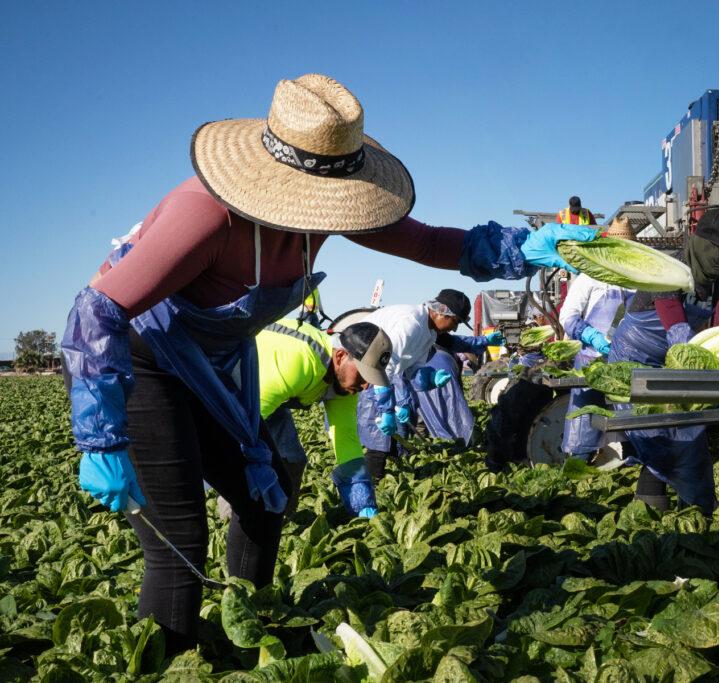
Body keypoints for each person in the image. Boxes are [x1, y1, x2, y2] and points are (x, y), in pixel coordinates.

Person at [61, 73, 593, 653]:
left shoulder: (325, 212)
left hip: (210, 370)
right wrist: (101, 438)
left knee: (266, 498)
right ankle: (172, 658)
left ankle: (246, 625)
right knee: (180, 538)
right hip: (136, 362)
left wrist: (522, 248)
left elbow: (430, 242)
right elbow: (98, 311)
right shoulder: (205, 214)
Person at [609, 208, 719, 512]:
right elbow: (671, 314)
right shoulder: (672, 265)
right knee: (656, 435)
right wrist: (685, 349)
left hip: (674, 364)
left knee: (688, 436)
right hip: (636, 360)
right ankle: (648, 515)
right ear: (705, 244)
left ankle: (693, 517)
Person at [226, 318, 391, 521]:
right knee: (244, 461)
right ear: (340, 356)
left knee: (292, 460)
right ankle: (234, 521)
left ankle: (280, 521)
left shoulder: (345, 386)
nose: (366, 387)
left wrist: (361, 497)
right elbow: (243, 427)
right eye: (363, 376)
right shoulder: (300, 361)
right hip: (236, 383)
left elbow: (346, 437)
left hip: (272, 394)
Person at [356, 289, 503, 487]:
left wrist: (430, 378)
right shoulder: (410, 324)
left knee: (392, 436)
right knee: (377, 438)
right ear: (443, 312)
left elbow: (412, 369)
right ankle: (371, 488)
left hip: (384, 377)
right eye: (456, 322)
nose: (453, 328)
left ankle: (392, 481)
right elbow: (386, 368)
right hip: (364, 372)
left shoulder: (429, 332)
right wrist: (386, 409)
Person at [558, 217, 631, 462]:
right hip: (591, 359)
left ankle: (634, 466)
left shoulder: (636, 281)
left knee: (632, 420)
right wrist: (591, 336)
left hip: (625, 361)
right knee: (583, 418)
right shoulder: (590, 278)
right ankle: (578, 467)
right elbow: (567, 317)